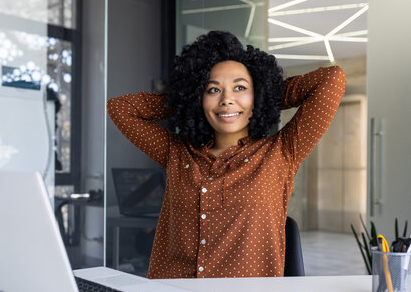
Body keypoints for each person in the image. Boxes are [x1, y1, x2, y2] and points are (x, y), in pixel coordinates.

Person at [107, 31, 346, 279]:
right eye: (213, 90)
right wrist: (187, 98)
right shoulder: (177, 153)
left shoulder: (281, 152)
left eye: (240, 87)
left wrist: (266, 95)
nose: (227, 100)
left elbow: (333, 79)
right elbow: (120, 108)